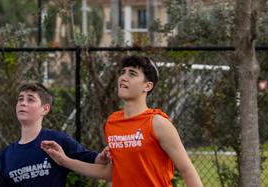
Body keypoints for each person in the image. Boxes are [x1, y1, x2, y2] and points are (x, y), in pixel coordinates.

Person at [41, 55, 204, 187]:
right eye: (123, 72)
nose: (124, 77)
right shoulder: (113, 122)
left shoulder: (158, 123)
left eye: (132, 74)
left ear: (147, 86)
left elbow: (187, 170)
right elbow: (111, 172)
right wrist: (65, 161)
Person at [0, 82, 103, 186]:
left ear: (45, 109)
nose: (23, 103)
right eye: (20, 99)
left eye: (30, 99)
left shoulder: (57, 141)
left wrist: (104, 156)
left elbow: (95, 161)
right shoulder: (7, 154)